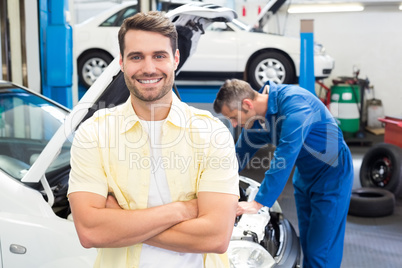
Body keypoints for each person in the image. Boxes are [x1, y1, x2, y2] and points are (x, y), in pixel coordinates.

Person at [68, 11, 239, 268]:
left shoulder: (212, 134)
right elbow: (91, 232)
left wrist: (122, 223)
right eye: (136, 57)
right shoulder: (93, 134)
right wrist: (181, 210)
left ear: (175, 59)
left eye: (159, 56)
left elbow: (215, 236)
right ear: (122, 63)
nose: (148, 68)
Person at [213, 79, 354, 268]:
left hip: (332, 175)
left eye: (232, 117)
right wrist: (212, 186)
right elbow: (237, 157)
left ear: (247, 104)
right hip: (304, 175)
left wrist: (257, 203)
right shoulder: (256, 119)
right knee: (307, 241)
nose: (233, 124)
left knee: (321, 251)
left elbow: (283, 158)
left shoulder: (295, 106)